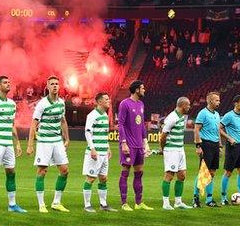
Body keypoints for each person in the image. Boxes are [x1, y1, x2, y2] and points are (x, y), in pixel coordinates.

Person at [26, 76, 70, 213]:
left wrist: (66, 138)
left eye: (57, 84)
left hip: (57, 141)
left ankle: (56, 202)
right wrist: (30, 144)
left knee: (64, 170)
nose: (55, 86)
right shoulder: (42, 104)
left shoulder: (62, 103)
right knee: (42, 171)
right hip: (44, 141)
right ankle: (41, 204)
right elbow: (34, 124)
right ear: (48, 86)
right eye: (52, 84)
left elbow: (63, 121)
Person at [0, 76, 26, 214]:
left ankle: (12, 204)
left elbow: (12, 125)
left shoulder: (12, 104)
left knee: (11, 172)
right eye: (5, 82)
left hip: (8, 143)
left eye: (9, 82)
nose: (8, 84)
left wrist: (17, 143)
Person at [117, 80, 153, 211]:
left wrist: (145, 142)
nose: (144, 90)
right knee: (125, 173)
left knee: (139, 173)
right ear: (137, 89)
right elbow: (120, 124)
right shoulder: (125, 104)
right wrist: (124, 143)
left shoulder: (141, 104)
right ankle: (124, 203)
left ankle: (138, 203)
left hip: (138, 145)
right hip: (129, 145)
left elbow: (142, 124)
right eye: (142, 88)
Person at [82, 92, 117, 213]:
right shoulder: (92, 115)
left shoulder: (105, 115)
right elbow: (87, 132)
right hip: (95, 153)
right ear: (100, 102)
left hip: (103, 153)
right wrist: (92, 149)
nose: (109, 101)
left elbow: (104, 133)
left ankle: (103, 204)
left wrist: (108, 147)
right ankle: (87, 205)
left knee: (103, 178)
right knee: (91, 178)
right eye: (106, 99)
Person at [160, 97, 193, 210]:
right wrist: (163, 149)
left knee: (182, 175)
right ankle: (166, 203)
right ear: (183, 105)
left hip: (180, 149)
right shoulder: (172, 117)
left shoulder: (182, 116)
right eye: (188, 105)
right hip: (172, 150)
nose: (189, 106)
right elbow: (163, 135)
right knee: (169, 175)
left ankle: (178, 202)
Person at [219, 95, 240, 205]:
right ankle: (223, 197)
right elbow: (218, 128)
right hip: (232, 147)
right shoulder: (229, 116)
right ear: (235, 104)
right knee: (228, 172)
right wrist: (229, 138)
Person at [192, 92, 222, 208]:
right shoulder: (203, 113)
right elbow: (197, 129)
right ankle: (196, 198)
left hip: (214, 145)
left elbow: (217, 131)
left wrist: (219, 146)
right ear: (210, 101)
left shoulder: (217, 114)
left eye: (219, 100)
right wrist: (198, 146)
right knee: (203, 172)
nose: (218, 102)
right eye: (216, 100)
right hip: (206, 144)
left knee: (212, 173)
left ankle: (209, 199)